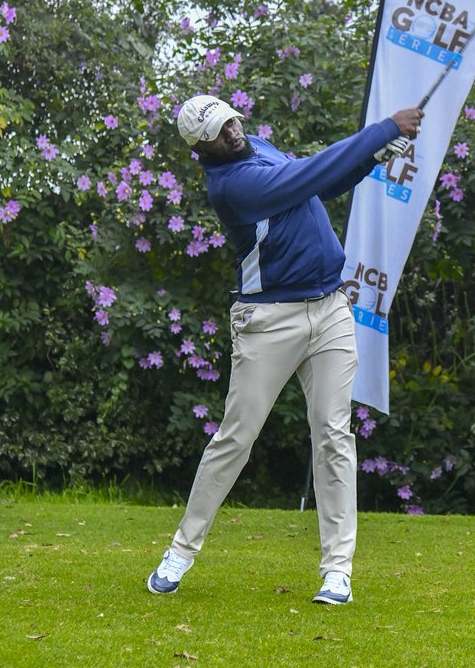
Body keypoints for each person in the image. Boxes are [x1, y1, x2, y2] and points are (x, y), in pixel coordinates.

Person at [147, 93, 423, 605]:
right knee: (236, 438)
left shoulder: (259, 146)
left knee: (334, 434)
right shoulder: (231, 187)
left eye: (230, 119)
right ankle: (182, 551)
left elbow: (324, 182)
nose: (232, 130)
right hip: (268, 321)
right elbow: (305, 178)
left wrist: (372, 156)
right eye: (218, 130)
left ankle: (337, 570)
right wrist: (385, 129)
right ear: (201, 149)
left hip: (330, 309)